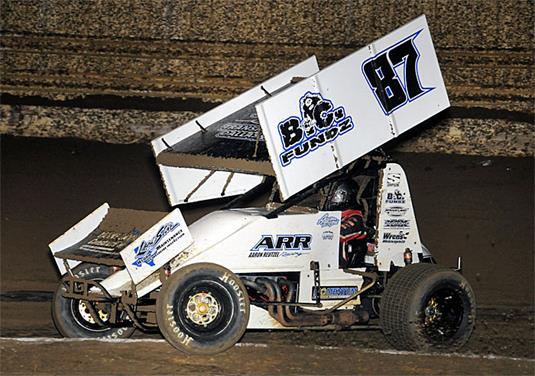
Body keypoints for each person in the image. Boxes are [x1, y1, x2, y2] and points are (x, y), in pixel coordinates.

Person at [324, 179, 370, 267]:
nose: (330, 198)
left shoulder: (355, 218)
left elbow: (338, 234)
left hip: (340, 269)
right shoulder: (333, 216)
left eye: (333, 195)